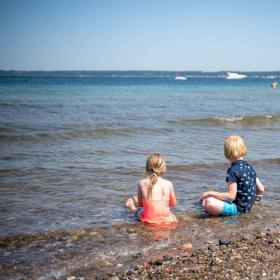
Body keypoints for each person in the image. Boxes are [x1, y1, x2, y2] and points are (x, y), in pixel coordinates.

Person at [200, 135, 265, 216]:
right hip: (247, 207)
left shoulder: (233, 170)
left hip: (238, 209)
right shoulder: (249, 167)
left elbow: (231, 196)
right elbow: (261, 189)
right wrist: (249, 198)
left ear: (227, 153)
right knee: (210, 199)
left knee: (208, 201)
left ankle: (218, 213)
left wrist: (211, 193)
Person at [125, 153, 177, 224]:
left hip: (149, 219)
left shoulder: (142, 183)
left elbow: (140, 204)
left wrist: (142, 201)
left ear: (147, 168)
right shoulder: (168, 184)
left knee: (138, 211)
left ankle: (131, 206)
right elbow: (173, 204)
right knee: (170, 214)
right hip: (165, 218)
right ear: (163, 168)